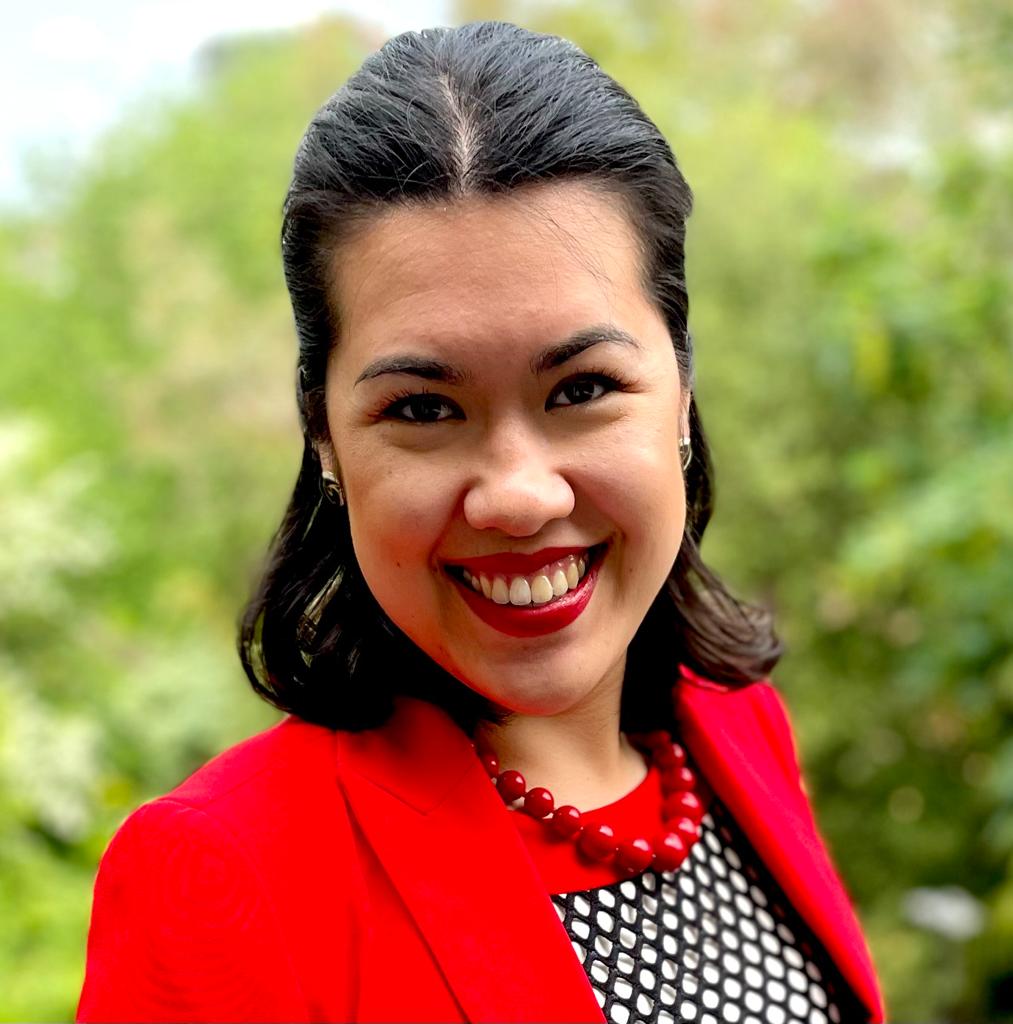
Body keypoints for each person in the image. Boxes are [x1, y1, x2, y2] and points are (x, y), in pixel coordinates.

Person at [77, 21, 885, 1024]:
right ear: (322, 435)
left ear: (678, 392)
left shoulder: (734, 726)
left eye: (582, 385)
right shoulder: (218, 875)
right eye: (423, 408)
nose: (517, 494)